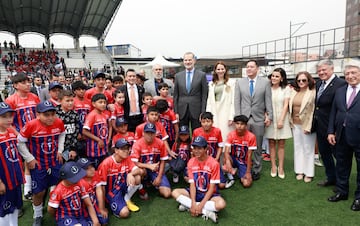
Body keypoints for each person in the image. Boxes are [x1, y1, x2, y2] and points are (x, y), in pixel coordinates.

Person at [17, 101, 65, 226]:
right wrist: (29, 158)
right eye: (46, 114)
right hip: (38, 163)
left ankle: (57, 210)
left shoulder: (59, 122)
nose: (50, 117)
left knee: (58, 186)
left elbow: (62, 133)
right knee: (39, 192)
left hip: (55, 161)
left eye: (52, 114)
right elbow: (20, 142)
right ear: (38, 114)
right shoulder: (31, 125)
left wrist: (60, 150)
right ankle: (37, 215)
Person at [327, 60, 360, 211]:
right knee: (342, 165)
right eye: (347, 73)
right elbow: (334, 112)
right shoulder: (340, 90)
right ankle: (342, 191)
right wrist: (330, 131)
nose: (350, 76)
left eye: (354, 72)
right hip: (341, 135)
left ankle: (359, 198)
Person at [171, 136, 226, 223]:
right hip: (196, 191)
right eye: (194, 148)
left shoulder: (214, 164)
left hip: (209, 194)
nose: (196, 151)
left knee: (221, 204)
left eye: (199, 148)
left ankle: (188, 206)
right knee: (174, 192)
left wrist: (201, 205)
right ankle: (206, 211)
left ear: (206, 149)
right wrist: (193, 203)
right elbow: (192, 184)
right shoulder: (191, 162)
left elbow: (212, 188)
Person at [234, 59, 272, 181]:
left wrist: (269, 116)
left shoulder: (265, 83)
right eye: (247, 67)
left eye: (251, 66)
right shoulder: (239, 82)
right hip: (244, 119)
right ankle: (243, 168)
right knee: (243, 145)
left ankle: (256, 169)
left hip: (258, 119)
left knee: (257, 146)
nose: (249, 69)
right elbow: (237, 101)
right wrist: (239, 119)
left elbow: (268, 100)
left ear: (257, 69)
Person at [5, 73, 40, 200]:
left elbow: (39, 115)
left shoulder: (35, 97)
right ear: (15, 85)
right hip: (20, 137)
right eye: (24, 82)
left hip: (35, 135)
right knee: (25, 161)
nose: (28, 84)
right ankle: (26, 189)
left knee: (33, 161)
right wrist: (18, 135)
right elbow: (7, 121)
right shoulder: (10, 100)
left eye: (28, 82)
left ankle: (31, 187)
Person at [313, 60, 346, 187]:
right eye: (319, 70)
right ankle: (331, 177)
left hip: (335, 128)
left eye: (324, 70)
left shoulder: (341, 84)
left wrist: (334, 129)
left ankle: (341, 182)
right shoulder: (318, 84)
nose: (321, 72)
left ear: (332, 69)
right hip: (320, 126)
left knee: (339, 156)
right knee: (325, 154)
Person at [97, 138, 143, 217]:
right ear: (116, 150)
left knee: (137, 177)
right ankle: (116, 205)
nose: (126, 151)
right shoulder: (106, 163)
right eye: (123, 149)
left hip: (121, 186)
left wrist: (130, 174)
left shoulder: (127, 158)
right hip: (112, 192)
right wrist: (103, 206)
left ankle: (126, 198)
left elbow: (140, 171)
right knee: (125, 213)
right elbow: (101, 187)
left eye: (127, 148)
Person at [47, 161, 100, 226]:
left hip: (79, 215)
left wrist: (95, 221)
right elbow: (50, 209)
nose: (77, 180)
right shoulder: (58, 191)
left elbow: (88, 203)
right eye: (74, 178)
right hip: (66, 217)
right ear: (65, 179)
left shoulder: (79, 183)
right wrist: (58, 218)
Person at [264, 68, 292, 179]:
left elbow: (286, 105)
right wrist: (266, 116)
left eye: (277, 76)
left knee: (281, 144)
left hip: (282, 118)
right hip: (270, 119)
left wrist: (281, 119)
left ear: (282, 78)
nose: (274, 78)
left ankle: (280, 167)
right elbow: (264, 104)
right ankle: (273, 167)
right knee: (271, 143)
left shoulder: (285, 89)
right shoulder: (267, 89)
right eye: (273, 76)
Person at [130, 123, 171, 198]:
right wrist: (148, 166)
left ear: (155, 133)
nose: (150, 135)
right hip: (143, 169)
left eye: (152, 133)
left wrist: (159, 177)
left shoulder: (160, 143)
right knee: (139, 174)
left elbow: (163, 161)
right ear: (143, 133)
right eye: (147, 133)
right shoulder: (137, 144)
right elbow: (133, 162)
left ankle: (152, 182)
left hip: (155, 170)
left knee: (167, 193)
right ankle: (141, 188)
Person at [289, 71, 316, 183]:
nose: (301, 82)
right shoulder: (294, 92)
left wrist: (308, 127)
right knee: (298, 148)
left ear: (308, 80)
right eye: (299, 80)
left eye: (304, 80)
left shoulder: (313, 92)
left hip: (307, 125)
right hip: (295, 124)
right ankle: (299, 171)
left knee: (308, 149)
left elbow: (313, 111)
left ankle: (309, 173)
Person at [0, 103, 24, 226]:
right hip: (3, 178)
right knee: (3, 209)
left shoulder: (11, 132)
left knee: (15, 206)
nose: (9, 119)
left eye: (10, 116)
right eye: (4, 116)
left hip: (14, 177)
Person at [174, 52, 208, 131]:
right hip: (182, 110)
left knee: (197, 132)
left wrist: (203, 112)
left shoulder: (202, 75)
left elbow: (204, 95)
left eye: (190, 60)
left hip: (196, 110)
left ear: (194, 61)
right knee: (183, 134)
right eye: (185, 60)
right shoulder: (178, 76)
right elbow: (176, 96)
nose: (187, 62)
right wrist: (176, 112)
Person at [192, 112, 226, 189]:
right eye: (203, 122)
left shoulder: (217, 131)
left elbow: (220, 147)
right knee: (200, 183)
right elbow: (193, 149)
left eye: (208, 121)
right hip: (201, 162)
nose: (206, 124)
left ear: (212, 122)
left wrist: (216, 159)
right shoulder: (196, 132)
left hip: (213, 162)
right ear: (200, 122)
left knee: (222, 185)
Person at [223, 115, 256, 188]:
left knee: (246, 183)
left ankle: (236, 172)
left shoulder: (251, 136)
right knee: (225, 160)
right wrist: (228, 162)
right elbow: (226, 151)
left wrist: (248, 172)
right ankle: (230, 173)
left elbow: (250, 155)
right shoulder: (231, 134)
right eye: (237, 123)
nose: (239, 126)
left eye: (242, 124)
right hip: (233, 159)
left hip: (244, 161)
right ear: (234, 124)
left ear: (246, 125)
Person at [206, 61, 235, 141]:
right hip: (214, 110)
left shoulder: (231, 83)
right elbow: (209, 101)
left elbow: (233, 101)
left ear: (225, 70)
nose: (220, 71)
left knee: (225, 135)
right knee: (214, 134)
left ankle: (225, 152)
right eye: (218, 69)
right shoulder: (211, 84)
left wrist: (231, 116)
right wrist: (208, 114)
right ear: (215, 70)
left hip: (226, 111)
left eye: (222, 69)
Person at [76, 158, 109, 225]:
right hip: (83, 206)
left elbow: (99, 190)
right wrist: (95, 221)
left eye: (92, 167)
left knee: (104, 220)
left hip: (92, 200)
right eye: (87, 168)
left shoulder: (95, 174)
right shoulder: (80, 182)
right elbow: (88, 204)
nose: (92, 170)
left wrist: (101, 208)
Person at [82, 93, 110, 168]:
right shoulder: (92, 115)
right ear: (94, 104)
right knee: (94, 169)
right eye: (100, 102)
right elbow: (84, 131)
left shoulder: (104, 115)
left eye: (104, 102)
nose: (103, 104)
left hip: (103, 148)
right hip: (94, 150)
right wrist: (98, 140)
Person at [56, 90, 80, 161]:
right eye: (67, 101)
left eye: (72, 100)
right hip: (58, 150)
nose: (70, 103)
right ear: (60, 101)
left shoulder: (75, 114)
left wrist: (73, 150)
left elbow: (76, 133)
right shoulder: (55, 114)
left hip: (71, 150)